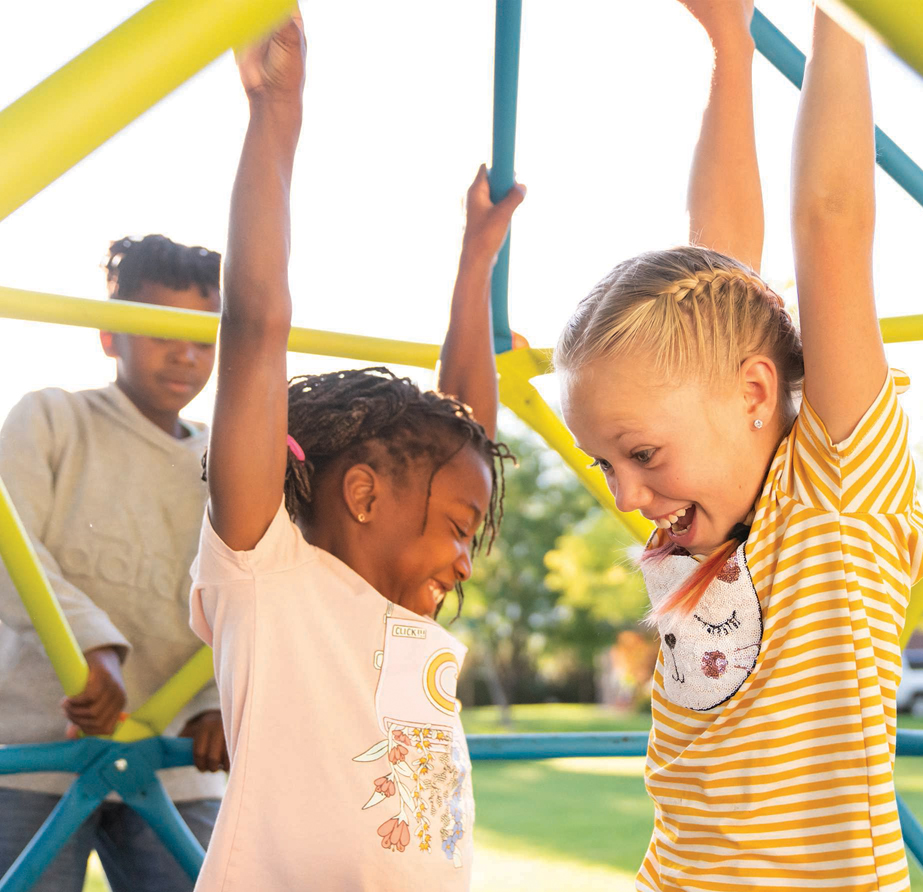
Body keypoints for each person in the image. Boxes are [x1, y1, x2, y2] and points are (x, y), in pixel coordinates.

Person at [553, 2, 923, 890]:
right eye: (606, 463)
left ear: (756, 394)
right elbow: (716, 271)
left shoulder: (835, 487)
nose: (624, 496)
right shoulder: (703, 524)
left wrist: (842, 18)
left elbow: (831, 222)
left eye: (641, 454)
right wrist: (730, 49)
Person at [188, 13, 523, 890]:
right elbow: (256, 325)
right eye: (458, 528)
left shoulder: (407, 621)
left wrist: (474, 265)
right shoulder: (270, 577)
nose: (465, 554)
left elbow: (465, 433)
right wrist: (275, 119)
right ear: (365, 495)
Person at [0, 234, 229, 891]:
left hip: (170, 757)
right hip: (36, 751)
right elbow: (9, 551)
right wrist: (92, 648)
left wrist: (218, 701)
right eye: (161, 331)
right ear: (110, 334)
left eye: (206, 338)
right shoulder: (52, 419)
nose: (186, 354)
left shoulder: (225, 465)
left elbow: (237, 593)